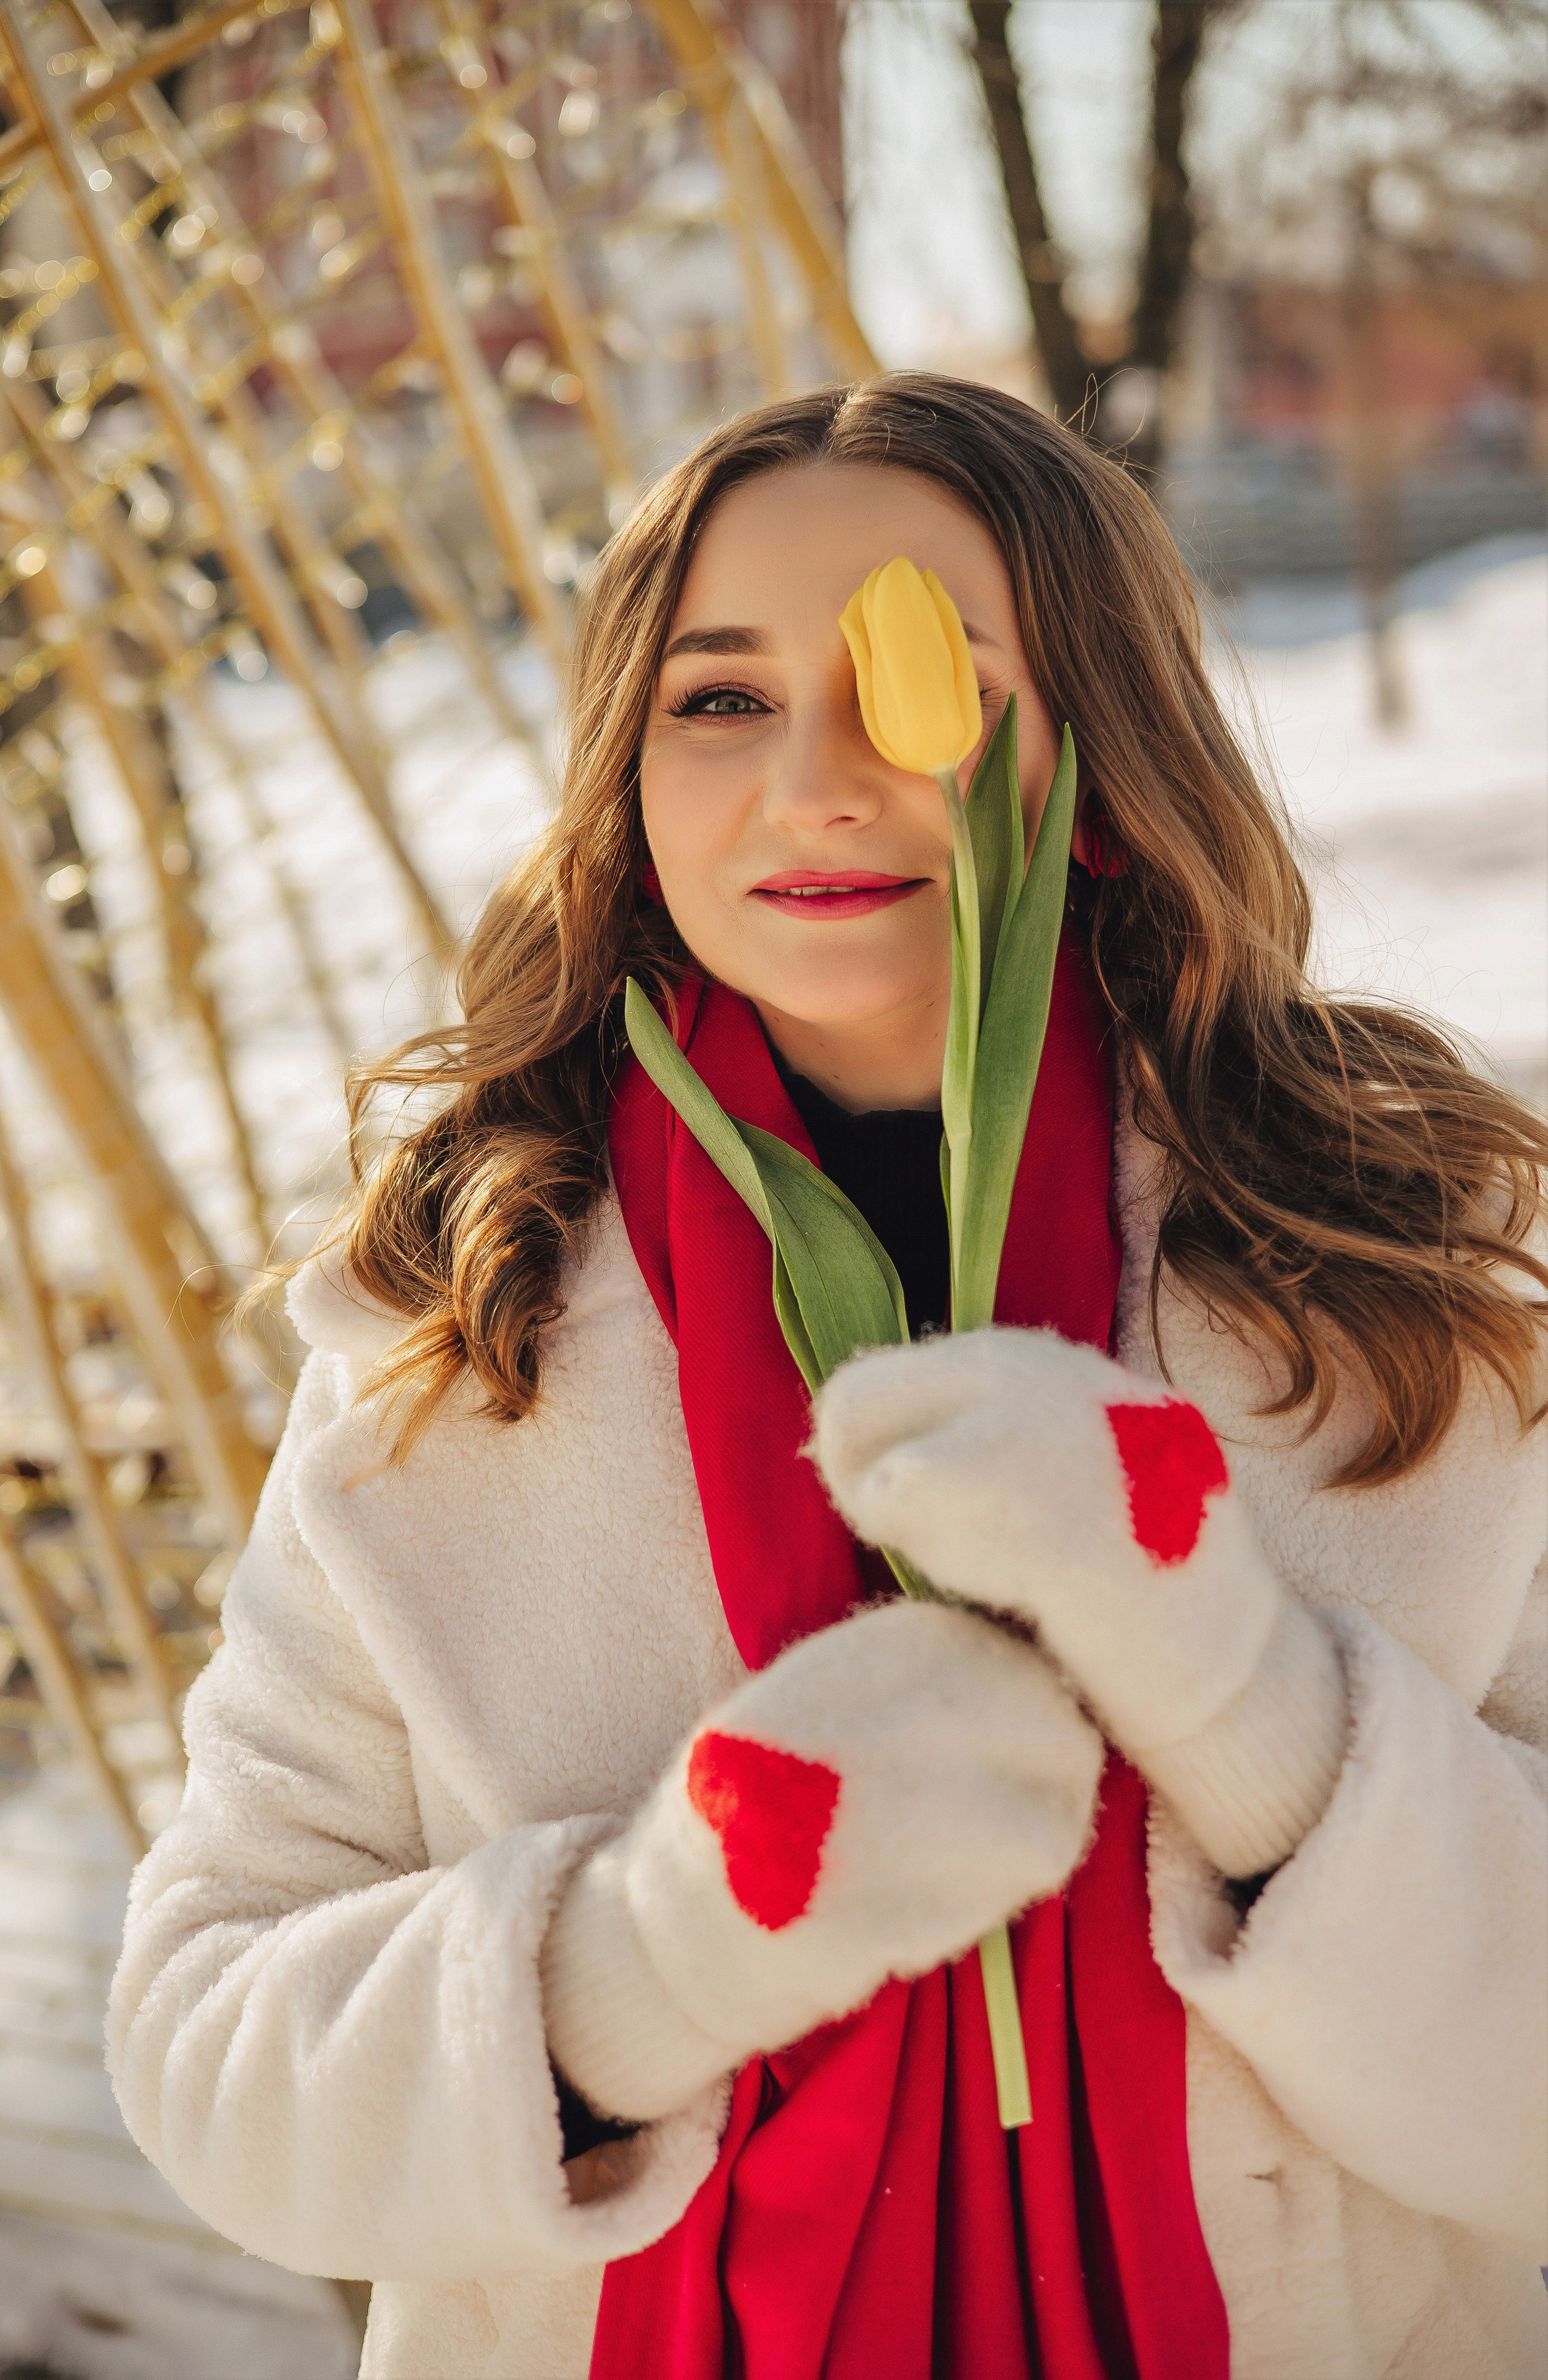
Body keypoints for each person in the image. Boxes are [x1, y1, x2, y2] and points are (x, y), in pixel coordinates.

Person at [107, 376, 1547, 2380]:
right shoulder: (456, 1319)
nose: (817, 779)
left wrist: (1236, 1685)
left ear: (1103, 753)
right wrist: (652, 1951)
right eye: (717, 700)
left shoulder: (1410, 1286)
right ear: (628, 773)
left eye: (919, 683)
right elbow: (210, 2053)